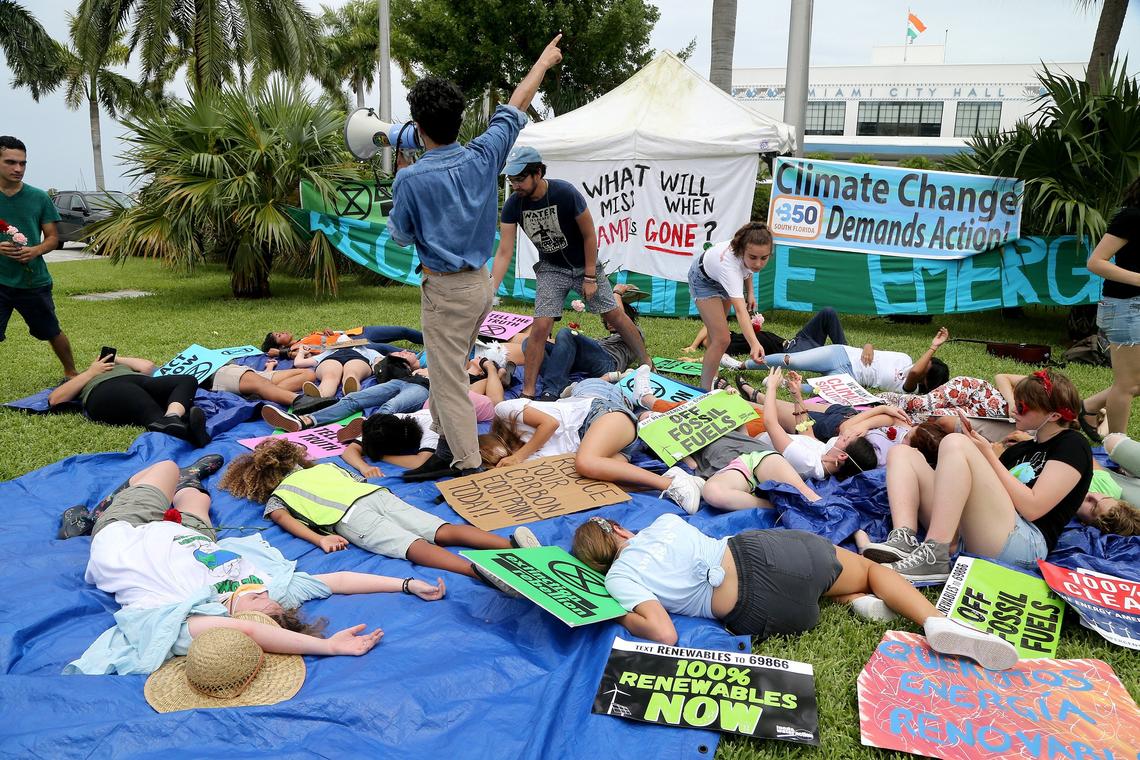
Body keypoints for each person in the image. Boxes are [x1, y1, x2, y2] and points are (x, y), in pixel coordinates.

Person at [66, 459, 447, 675]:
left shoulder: (186, 621)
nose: (266, 598)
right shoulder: (271, 592)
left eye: (264, 608)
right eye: (274, 604)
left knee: (163, 468)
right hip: (193, 539)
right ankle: (189, 484)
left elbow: (246, 630)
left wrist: (327, 648)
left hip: (129, 532)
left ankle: (105, 509)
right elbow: (340, 580)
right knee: (195, 495)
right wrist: (406, 583)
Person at [386, 36, 564, 476]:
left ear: (418, 126)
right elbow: (517, 105)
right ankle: (449, 448)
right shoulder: (485, 153)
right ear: (459, 119)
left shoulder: (411, 180)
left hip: (444, 293)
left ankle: (466, 465)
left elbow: (402, 238)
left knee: (446, 384)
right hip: (480, 286)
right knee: (448, 374)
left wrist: (402, 182)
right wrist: (542, 60)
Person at [571, 514, 1019, 670]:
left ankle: (856, 603)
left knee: (824, 588)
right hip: (767, 557)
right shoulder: (662, 524)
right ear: (615, 530)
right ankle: (933, 621)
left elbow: (663, 634)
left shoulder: (618, 582)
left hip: (758, 614)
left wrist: (617, 611)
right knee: (865, 568)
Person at [220, 439, 539, 592]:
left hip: (352, 518)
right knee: (443, 529)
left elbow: (283, 520)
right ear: (294, 460)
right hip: (377, 497)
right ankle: (510, 545)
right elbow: (356, 480)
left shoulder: (279, 496)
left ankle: (477, 571)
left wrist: (321, 539)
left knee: (413, 547)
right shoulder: (328, 467)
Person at [864, 370, 1093, 583]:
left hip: (1024, 544)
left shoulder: (1073, 445)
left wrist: (986, 455)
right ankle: (904, 538)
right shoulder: (1020, 448)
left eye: (1022, 407)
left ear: (1053, 415)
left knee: (955, 443)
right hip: (981, 531)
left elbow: (1033, 507)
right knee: (903, 453)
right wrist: (982, 451)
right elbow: (982, 490)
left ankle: (935, 555)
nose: (1013, 409)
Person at [490, 146, 651, 399]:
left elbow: (589, 235)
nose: (516, 185)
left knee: (614, 315)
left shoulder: (565, 193)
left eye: (520, 178)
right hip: (551, 268)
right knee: (541, 325)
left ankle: (647, 364)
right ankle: (529, 393)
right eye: (512, 180)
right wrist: (491, 288)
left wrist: (589, 276)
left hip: (584, 264)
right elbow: (504, 251)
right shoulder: (513, 205)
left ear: (539, 172)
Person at [478, 377, 706, 513]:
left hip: (598, 414)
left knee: (585, 463)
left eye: (500, 458)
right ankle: (681, 477)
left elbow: (550, 423)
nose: (505, 463)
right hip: (610, 447)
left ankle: (670, 482)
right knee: (597, 483)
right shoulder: (526, 459)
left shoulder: (505, 412)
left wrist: (519, 457)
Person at [0, 135, 77, 378]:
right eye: (11, 162)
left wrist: (35, 250)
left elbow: (53, 237)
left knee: (51, 330)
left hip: (32, 281)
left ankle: (72, 374)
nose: (18, 168)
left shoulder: (39, 197)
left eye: (23, 163)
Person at [48, 353, 210, 447]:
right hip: (106, 389)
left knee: (187, 380)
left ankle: (172, 417)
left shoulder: (120, 365)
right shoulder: (86, 376)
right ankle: (185, 431)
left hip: (139, 380)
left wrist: (117, 358)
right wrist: (91, 372)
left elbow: (147, 367)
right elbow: (55, 399)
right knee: (139, 399)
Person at [1082, 177, 1140, 435]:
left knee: (1133, 383)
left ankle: (1089, 407)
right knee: (1127, 384)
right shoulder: (1132, 217)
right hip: (1125, 307)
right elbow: (1096, 262)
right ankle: (1118, 447)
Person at [688, 222, 772, 390]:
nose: (758, 264)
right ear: (742, 251)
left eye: (764, 258)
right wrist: (754, 344)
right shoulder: (730, 267)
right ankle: (704, 390)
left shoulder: (746, 257)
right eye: (753, 257)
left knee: (715, 336)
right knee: (723, 338)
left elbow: (747, 270)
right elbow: (741, 312)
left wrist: (750, 292)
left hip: (720, 278)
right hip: (703, 281)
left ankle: (713, 376)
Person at [747, 326, 951, 395]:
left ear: (925, 381)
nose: (920, 366)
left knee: (816, 389)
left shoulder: (911, 388)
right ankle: (740, 365)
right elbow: (876, 351)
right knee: (791, 360)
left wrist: (934, 346)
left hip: (849, 378)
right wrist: (868, 346)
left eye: (925, 369)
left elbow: (915, 373)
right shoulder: (904, 358)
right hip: (844, 354)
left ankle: (783, 384)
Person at [757, 368, 878, 481]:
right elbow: (807, 434)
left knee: (743, 406)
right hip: (757, 438)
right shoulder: (826, 457)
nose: (843, 434)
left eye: (845, 439)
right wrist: (797, 395)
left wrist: (772, 387)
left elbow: (770, 423)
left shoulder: (807, 462)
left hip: (748, 445)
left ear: (842, 456)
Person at [533, 300, 645, 399]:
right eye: (608, 319)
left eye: (613, 318)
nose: (609, 322)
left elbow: (621, 321)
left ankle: (552, 390)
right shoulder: (606, 339)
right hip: (589, 362)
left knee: (566, 332)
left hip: (609, 363)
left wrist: (617, 293)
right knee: (530, 344)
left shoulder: (635, 333)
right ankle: (565, 386)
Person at [683, 306, 848, 368]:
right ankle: (847, 358)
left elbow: (710, 324)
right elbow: (720, 359)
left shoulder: (733, 335)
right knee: (831, 354)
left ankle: (847, 351)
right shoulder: (729, 347)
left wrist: (693, 345)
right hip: (795, 351)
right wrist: (695, 359)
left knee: (828, 312)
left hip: (797, 340)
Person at [261, 326, 423, 358]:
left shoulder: (304, 338)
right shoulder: (296, 348)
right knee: (391, 349)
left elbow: (324, 339)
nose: (282, 332)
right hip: (350, 344)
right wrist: (281, 354)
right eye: (279, 335)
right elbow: (297, 355)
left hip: (356, 332)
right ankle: (428, 358)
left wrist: (328, 332)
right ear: (281, 345)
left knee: (403, 331)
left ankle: (434, 341)